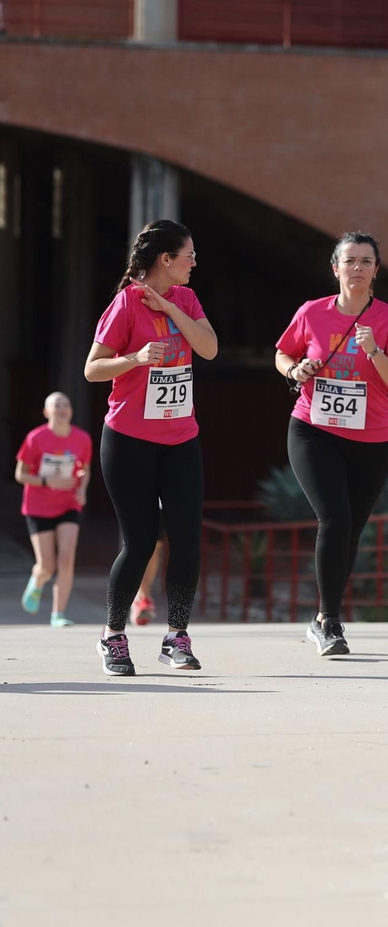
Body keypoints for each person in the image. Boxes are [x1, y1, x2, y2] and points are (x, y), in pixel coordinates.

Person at [84, 219, 217, 676]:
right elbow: (92, 369)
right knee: (140, 541)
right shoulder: (125, 304)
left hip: (181, 439)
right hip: (128, 441)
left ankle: (176, 636)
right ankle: (113, 636)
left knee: (186, 539)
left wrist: (171, 308)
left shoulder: (187, 298)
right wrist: (136, 359)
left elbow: (209, 348)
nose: (195, 263)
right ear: (166, 259)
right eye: (189, 255)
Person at [275, 233, 388, 657]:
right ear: (335, 268)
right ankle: (330, 621)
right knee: (334, 518)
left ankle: (321, 618)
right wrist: (297, 369)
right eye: (349, 260)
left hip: (371, 439)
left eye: (365, 261)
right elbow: (282, 355)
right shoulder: (311, 312)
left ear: (376, 270)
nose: (357, 268)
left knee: (351, 529)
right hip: (313, 430)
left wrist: (374, 352)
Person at [15, 392, 92, 627]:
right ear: (47, 412)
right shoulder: (35, 438)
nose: (62, 409)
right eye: (56, 405)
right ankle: (38, 579)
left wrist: (82, 489)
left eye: (66, 405)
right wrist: (48, 482)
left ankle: (58, 614)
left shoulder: (82, 438)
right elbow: (20, 474)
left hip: (69, 504)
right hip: (38, 506)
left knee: (67, 556)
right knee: (47, 565)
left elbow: (85, 468)